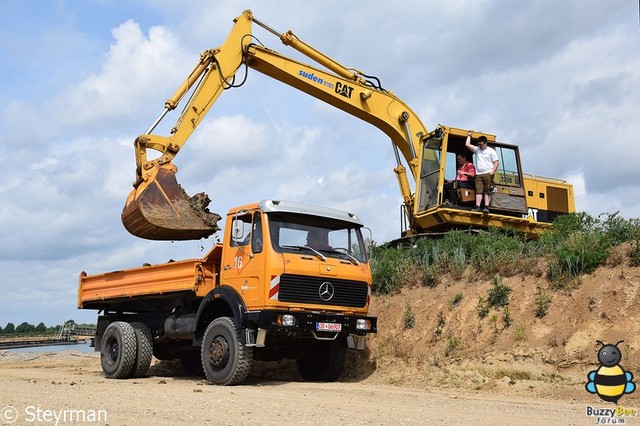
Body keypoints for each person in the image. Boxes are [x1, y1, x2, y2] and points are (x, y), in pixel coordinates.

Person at [465, 131, 499, 213]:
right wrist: (469, 136)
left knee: (487, 190)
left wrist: (492, 171)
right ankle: (477, 206)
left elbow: (496, 162)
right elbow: (467, 145)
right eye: (479, 144)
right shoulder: (477, 150)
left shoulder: (491, 151)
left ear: (485, 143)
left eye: (481, 144)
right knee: (479, 190)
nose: (479, 146)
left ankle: (486, 207)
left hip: (488, 173)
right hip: (479, 174)